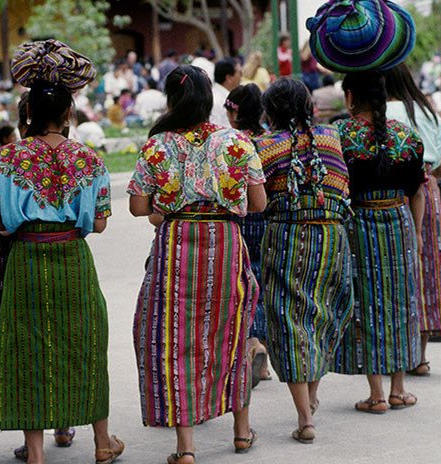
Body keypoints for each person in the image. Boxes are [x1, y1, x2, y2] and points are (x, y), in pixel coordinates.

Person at [0, 39, 123, 464]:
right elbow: (98, 223)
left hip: (26, 260)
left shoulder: (5, 159)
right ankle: (101, 442)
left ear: (27, 114)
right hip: (73, 261)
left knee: (27, 348)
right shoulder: (90, 160)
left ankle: (37, 452)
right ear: (68, 114)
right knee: (85, 343)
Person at [128, 65, 266, 464]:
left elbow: (138, 207)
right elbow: (258, 204)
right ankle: (241, 432)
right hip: (225, 243)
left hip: (176, 247)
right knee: (232, 331)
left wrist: (175, 202)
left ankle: (185, 448)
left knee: (174, 340)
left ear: (172, 101)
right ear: (210, 101)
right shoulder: (236, 142)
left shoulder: (157, 146)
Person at [255, 78, 354, 442]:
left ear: (271, 110)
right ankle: (311, 396)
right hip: (332, 237)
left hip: (286, 239)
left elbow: (256, 199)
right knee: (324, 316)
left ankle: (304, 419)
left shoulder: (263, 146)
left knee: (289, 322)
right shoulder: (330, 138)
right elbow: (343, 186)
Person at [332, 70, 425, 414]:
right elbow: (417, 191)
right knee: (400, 302)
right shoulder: (406, 136)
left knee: (366, 303)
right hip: (397, 222)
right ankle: (399, 389)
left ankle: (376, 394)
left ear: (351, 96)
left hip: (359, 225)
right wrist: (415, 231)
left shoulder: (341, 135)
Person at [384, 63, 441, 377]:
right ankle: (421, 357)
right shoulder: (428, 112)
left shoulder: (382, 112)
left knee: (392, 273)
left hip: (392, 194)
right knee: (427, 267)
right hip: (428, 192)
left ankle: (393, 356)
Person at [225, 83, 272, 387]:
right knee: (264, 281)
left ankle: (251, 342)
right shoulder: (271, 141)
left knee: (245, 282)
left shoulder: (233, 145)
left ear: (234, 112)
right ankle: (264, 354)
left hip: (241, 221)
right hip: (268, 221)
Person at [211, 58, 242, 128]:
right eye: (240, 73)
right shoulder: (217, 100)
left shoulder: (223, 97)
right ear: (229, 78)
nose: (241, 77)